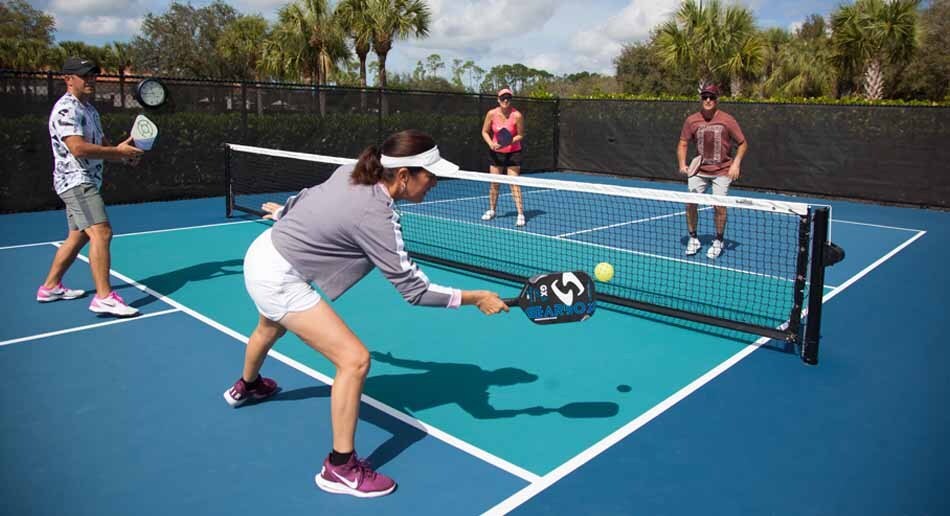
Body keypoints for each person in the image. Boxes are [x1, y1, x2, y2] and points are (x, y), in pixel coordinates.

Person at [224, 130, 509, 498]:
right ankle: (340, 467)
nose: (435, 183)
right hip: (279, 277)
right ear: (404, 175)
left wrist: (284, 214)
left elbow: (308, 199)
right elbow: (416, 291)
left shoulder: (351, 171)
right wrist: (476, 297)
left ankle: (247, 387)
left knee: (269, 326)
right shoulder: (377, 216)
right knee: (354, 361)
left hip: (264, 251)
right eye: (431, 175)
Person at [38, 57, 144, 316]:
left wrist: (123, 154)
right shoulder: (66, 109)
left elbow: (102, 145)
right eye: (85, 76)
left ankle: (50, 287)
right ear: (68, 79)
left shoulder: (90, 110)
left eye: (93, 75)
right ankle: (104, 297)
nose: (91, 80)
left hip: (87, 179)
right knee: (102, 232)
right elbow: (78, 148)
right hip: (76, 180)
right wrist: (116, 152)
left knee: (79, 235)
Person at [676, 84, 747, 259]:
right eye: (705, 97)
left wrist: (736, 164)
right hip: (699, 171)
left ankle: (718, 240)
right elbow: (683, 143)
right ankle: (693, 238)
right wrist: (682, 164)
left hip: (722, 171)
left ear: (717, 100)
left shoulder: (727, 120)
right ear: (701, 99)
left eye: (712, 97)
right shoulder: (692, 120)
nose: (708, 100)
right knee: (690, 204)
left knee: (719, 207)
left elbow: (743, 143)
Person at [480, 87, 526, 226]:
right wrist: (491, 144)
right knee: (495, 183)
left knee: (514, 183)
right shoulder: (491, 114)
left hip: (513, 153)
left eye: (508, 98)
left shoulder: (517, 115)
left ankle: (520, 214)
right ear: (498, 99)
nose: (505, 100)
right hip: (496, 153)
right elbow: (484, 131)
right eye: (503, 98)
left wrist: (508, 141)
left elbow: (521, 134)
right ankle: (492, 210)